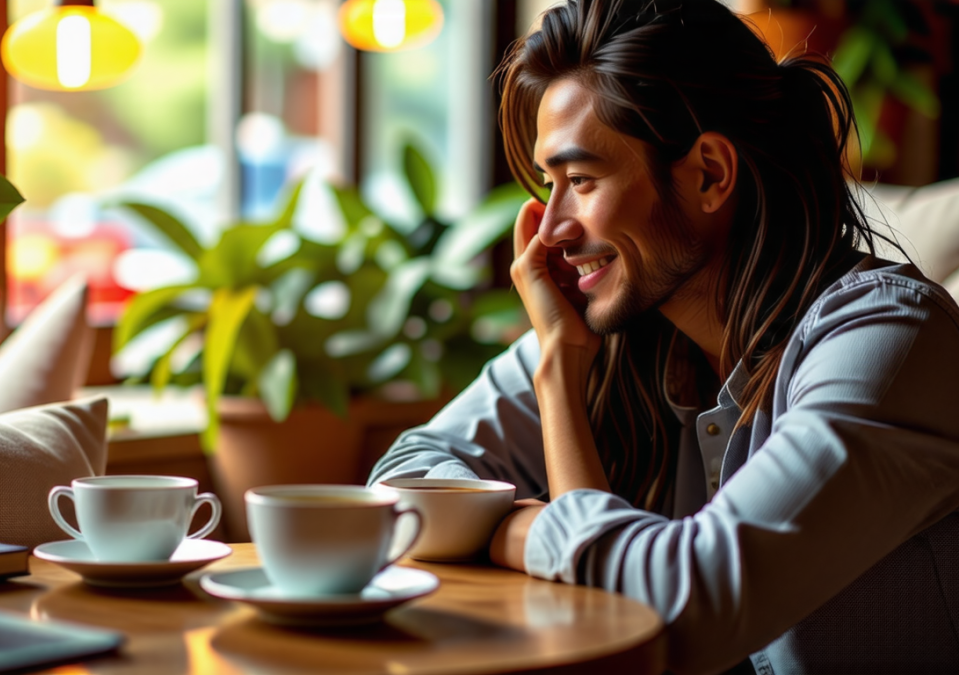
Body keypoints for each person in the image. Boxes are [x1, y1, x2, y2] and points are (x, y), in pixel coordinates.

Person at [366, 1, 959, 673]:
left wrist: (511, 524)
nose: (551, 230)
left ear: (709, 173)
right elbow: (403, 476)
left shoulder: (892, 342)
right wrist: (558, 369)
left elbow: (690, 607)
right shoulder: (621, 333)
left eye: (581, 181)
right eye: (548, 185)